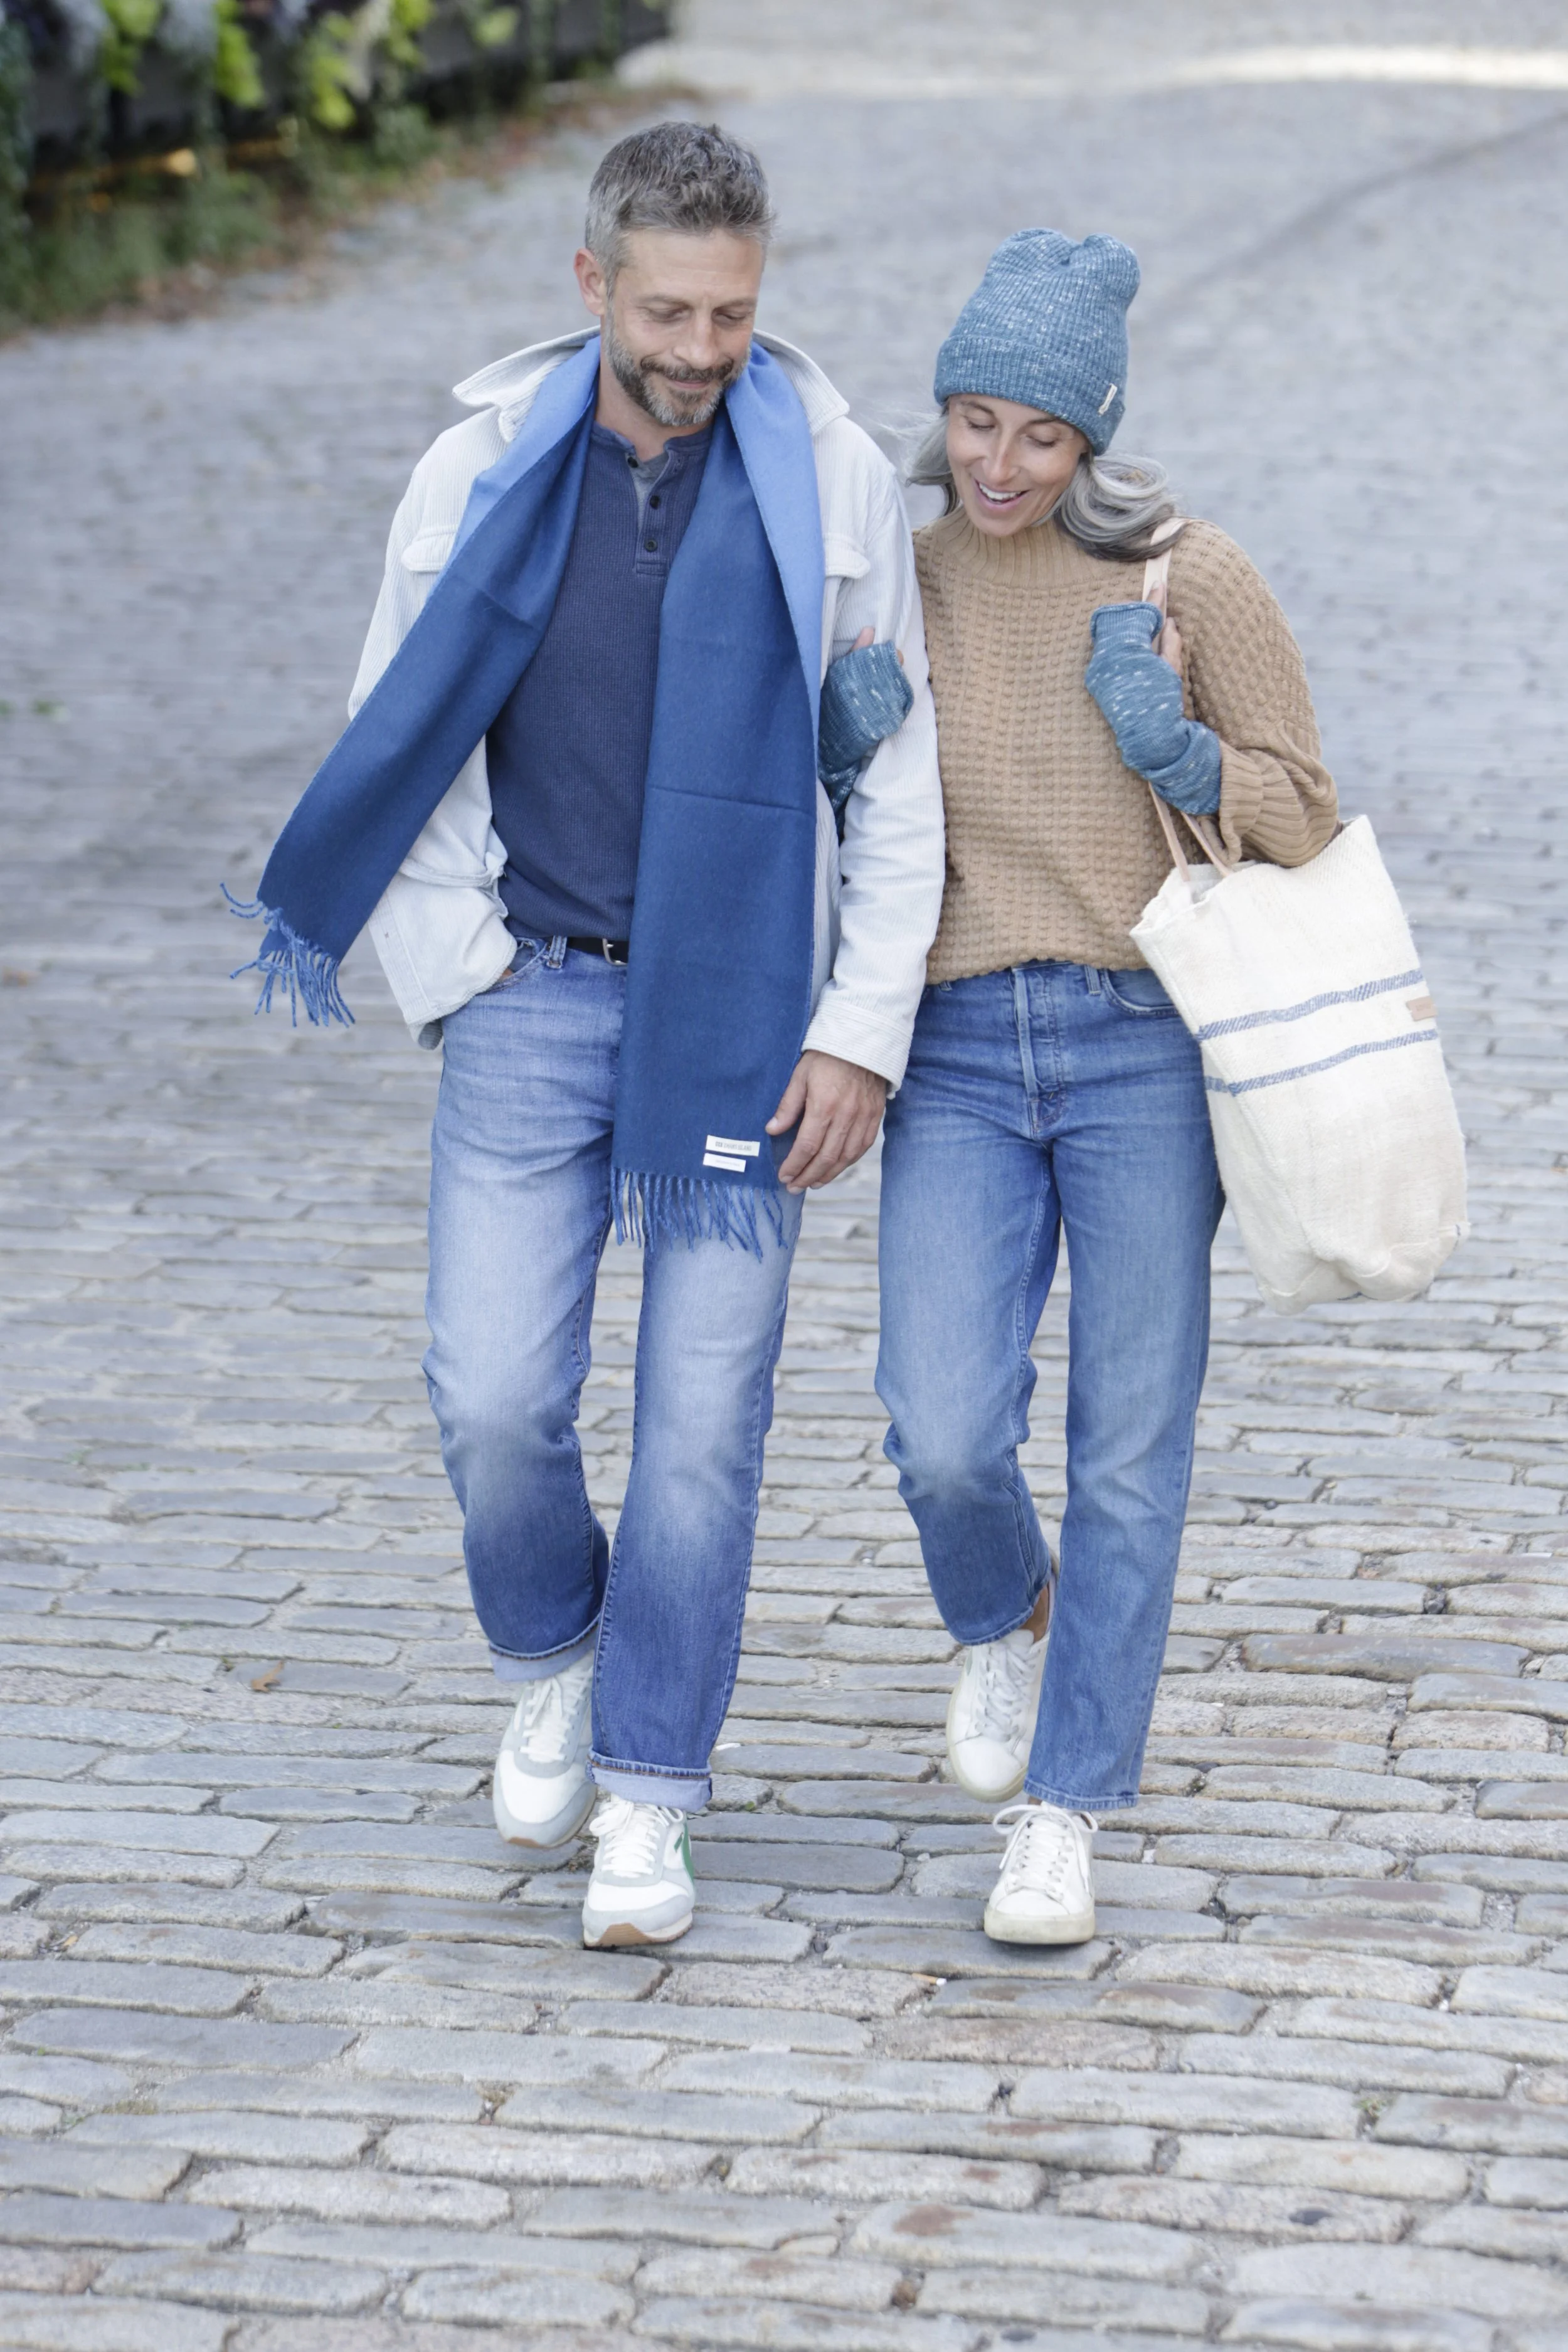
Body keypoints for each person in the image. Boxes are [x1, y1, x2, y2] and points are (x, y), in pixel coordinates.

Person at [230, 123, 944, 1948]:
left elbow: (892, 776)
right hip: (530, 990)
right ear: (589, 285)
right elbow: (392, 725)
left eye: (733, 312)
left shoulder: (831, 477)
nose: (703, 350)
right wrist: (460, 970)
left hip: (736, 1023)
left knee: (702, 1429)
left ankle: (650, 1793)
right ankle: (552, 1650)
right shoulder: (480, 468)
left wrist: (856, 1031)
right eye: (667, 311)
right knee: (489, 1399)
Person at [877, 229, 1337, 1946]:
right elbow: (839, 832)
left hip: (1146, 1042)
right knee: (937, 1427)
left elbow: (1305, 805)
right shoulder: (902, 573)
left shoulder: (1183, 577)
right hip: (956, 1044)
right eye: (974, 421)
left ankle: (1063, 1811)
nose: (999, 464)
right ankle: (1003, 1617)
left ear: (1094, 440)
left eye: (1039, 435)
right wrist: (845, 744)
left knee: (1127, 1450)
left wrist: (1178, 748)